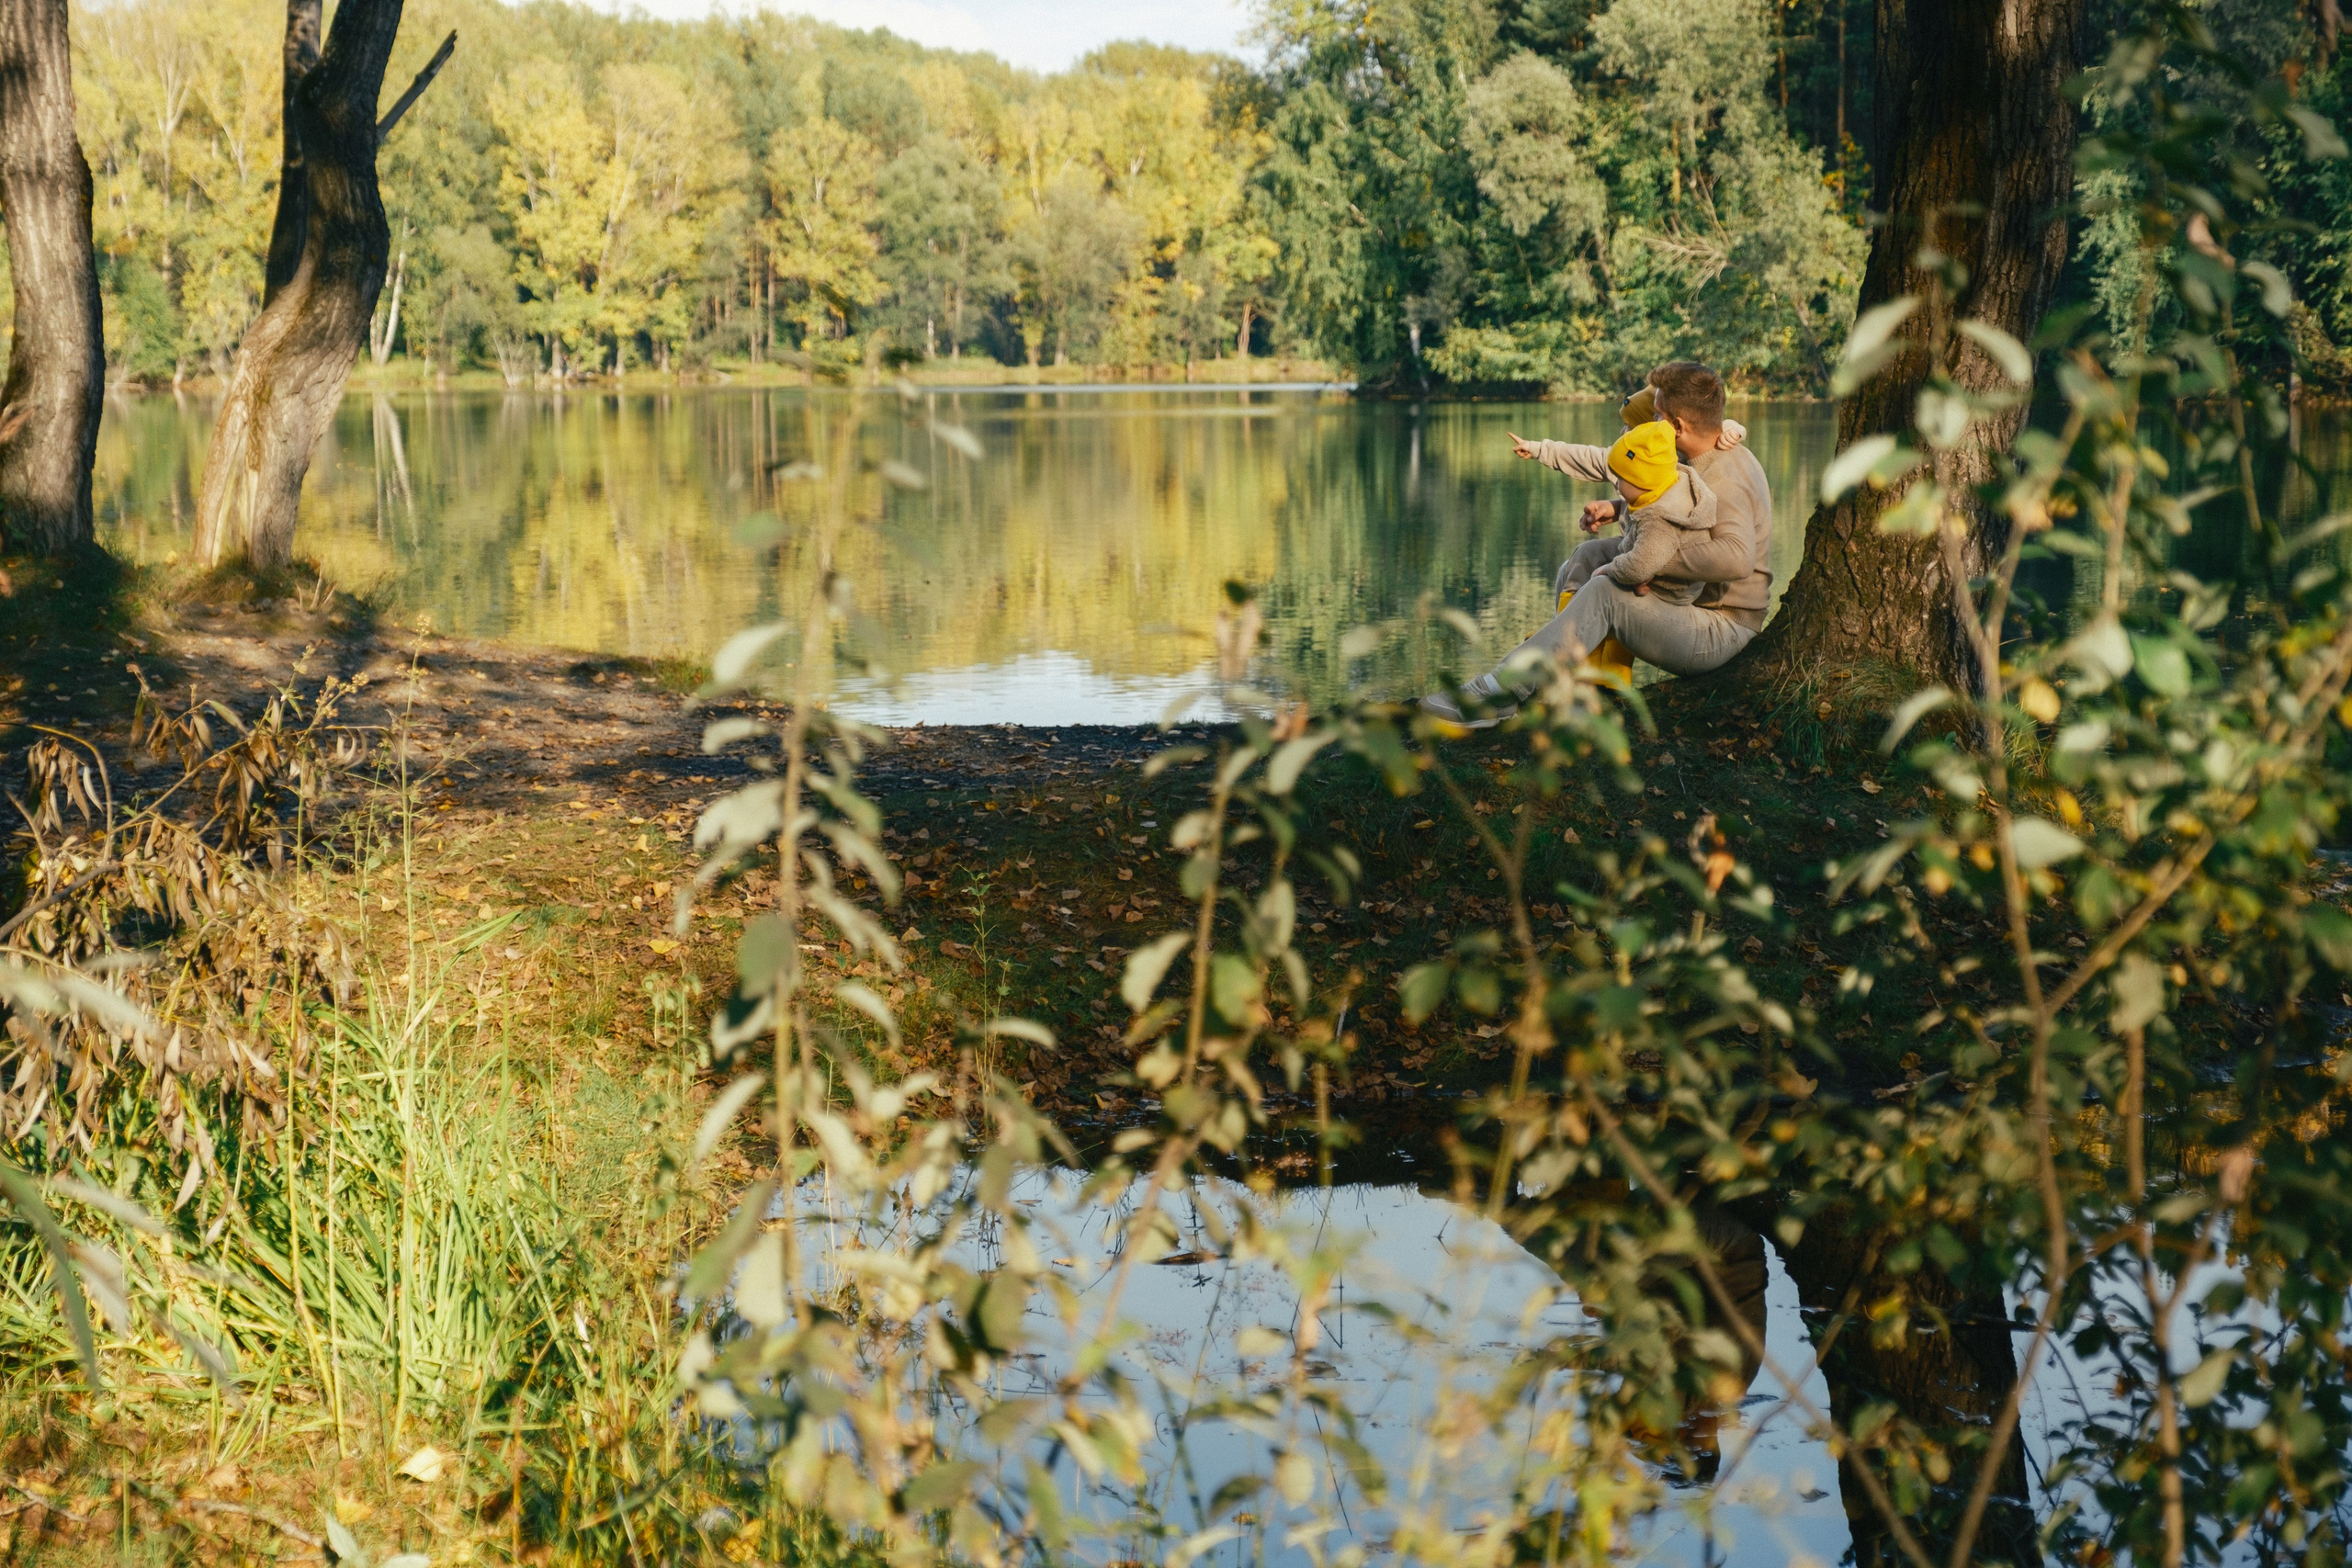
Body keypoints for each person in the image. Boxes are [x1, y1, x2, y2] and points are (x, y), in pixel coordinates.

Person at [1420, 361, 1773, 728]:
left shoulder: (1726, 476)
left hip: (1721, 627)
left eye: (1657, 414)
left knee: (1606, 591)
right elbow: (1642, 485)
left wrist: (1652, 561)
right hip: (1689, 601)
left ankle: (1497, 696)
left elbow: (1737, 557)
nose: (1649, 421)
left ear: (1679, 426)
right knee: (1588, 556)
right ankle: (1569, 679)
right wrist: (1620, 507)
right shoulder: (1688, 455)